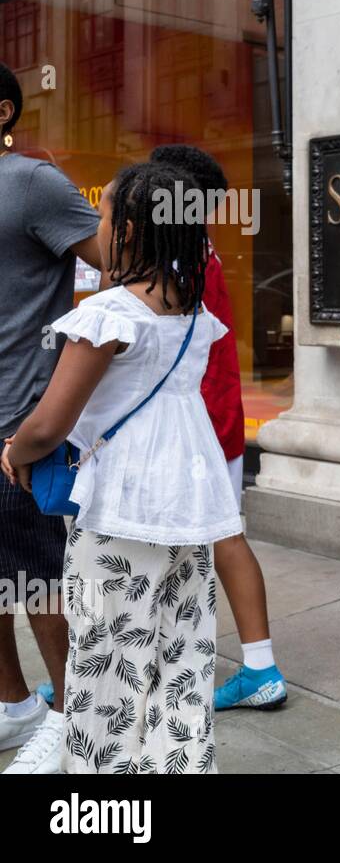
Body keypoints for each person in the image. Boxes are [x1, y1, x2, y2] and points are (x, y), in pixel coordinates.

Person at [2, 162, 242, 773]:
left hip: (125, 506)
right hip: (190, 502)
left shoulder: (108, 313)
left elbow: (51, 422)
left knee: (107, 660)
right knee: (181, 654)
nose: (97, 227)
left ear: (130, 230)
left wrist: (15, 450)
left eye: (104, 215)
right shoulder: (190, 306)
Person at [149, 144, 287, 711]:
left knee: (178, 545)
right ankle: (258, 667)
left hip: (192, 423)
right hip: (215, 417)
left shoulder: (172, 256)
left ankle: (160, 670)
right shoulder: (195, 247)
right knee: (220, 539)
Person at [0, 61, 103, 773]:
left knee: (38, 579)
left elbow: (118, 269)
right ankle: (15, 706)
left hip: (18, 418)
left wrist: (64, 387)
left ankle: (76, 723)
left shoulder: (33, 182)